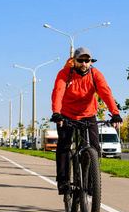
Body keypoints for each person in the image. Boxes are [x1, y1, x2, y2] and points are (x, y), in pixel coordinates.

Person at [51, 47, 122, 194]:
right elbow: (58, 92)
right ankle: (63, 181)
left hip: (88, 114)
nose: (84, 63)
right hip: (66, 115)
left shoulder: (95, 74)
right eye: (80, 60)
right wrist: (56, 113)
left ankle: (90, 183)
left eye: (87, 60)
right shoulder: (65, 74)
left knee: (94, 147)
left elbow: (105, 92)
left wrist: (115, 113)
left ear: (91, 61)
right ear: (74, 61)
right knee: (64, 145)